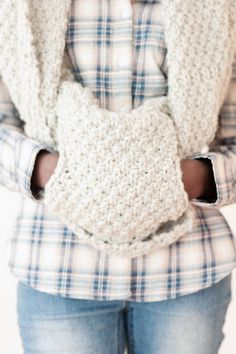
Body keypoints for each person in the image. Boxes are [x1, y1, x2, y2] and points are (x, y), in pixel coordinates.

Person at [0, 1, 235, 353]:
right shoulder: (22, 8)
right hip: (58, 269)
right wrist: (50, 171)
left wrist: (182, 179)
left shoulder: (217, 9)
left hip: (186, 272)